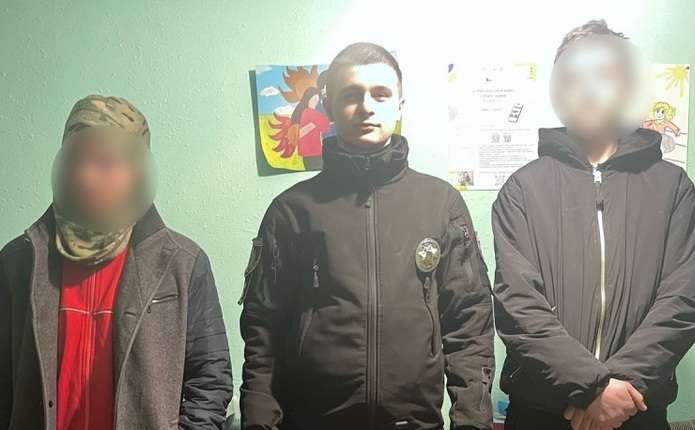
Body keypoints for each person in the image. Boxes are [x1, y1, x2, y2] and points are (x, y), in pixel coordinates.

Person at [240, 42, 495, 430]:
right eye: (351, 95)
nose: (366, 106)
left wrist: (472, 422)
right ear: (329, 107)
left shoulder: (441, 204)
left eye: (380, 94)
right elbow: (263, 334)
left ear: (400, 105)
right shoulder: (291, 211)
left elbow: (469, 324)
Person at [492, 20, 695, 430]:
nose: (588, 88)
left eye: (604, 74)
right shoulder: (522, 190)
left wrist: (616, 391)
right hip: (541, 412)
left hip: (636, 408)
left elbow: (682, 299)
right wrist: (592, 388)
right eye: (573, 77)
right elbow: (518, 306)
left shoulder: (673, 188)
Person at [0, 95, 233, 429]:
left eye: (106, 162)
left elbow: (210, 379)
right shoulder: (20, 261)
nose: (86, 176)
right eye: (77, 159)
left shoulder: (181, 263)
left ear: (136, 172)